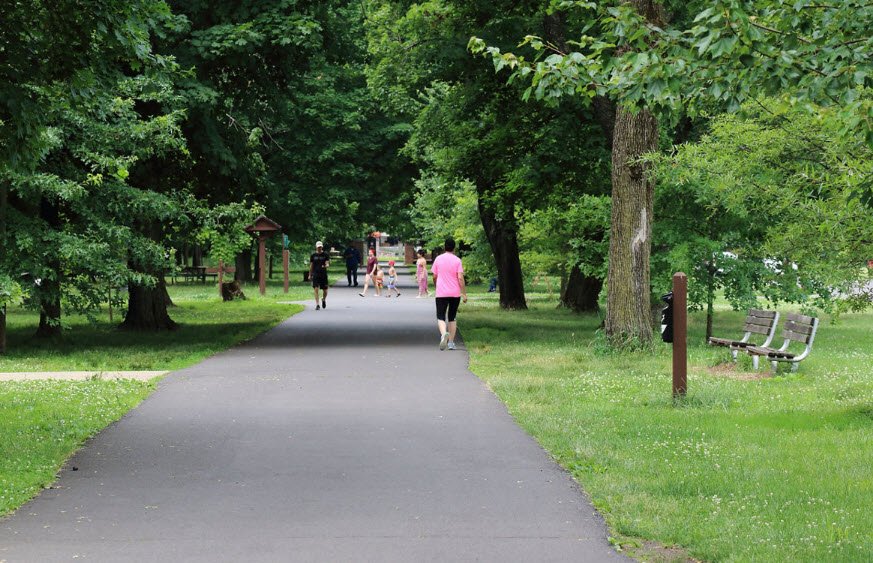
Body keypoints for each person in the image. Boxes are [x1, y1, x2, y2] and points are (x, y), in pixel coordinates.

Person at [431, 237, 466, 350]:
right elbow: (460, 278)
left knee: (440, 316)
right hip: (455, 293)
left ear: (444, 247)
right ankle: (451, 342)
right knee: (452, 317)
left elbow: (434, 276)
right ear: (454, 248)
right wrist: (464, 293)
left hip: (441, 292)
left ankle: (443, 334)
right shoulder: (457, 260)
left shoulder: (438, 259)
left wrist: (436, 284)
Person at [309, 241, 330, 310]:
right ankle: (317, 304)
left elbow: (327, 263)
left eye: (320, 247)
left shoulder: (325, 254)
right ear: (316, 247)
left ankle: (323, 299)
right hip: (316, 274)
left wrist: (326, 265)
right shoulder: (313, 255)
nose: (319, 248)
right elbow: (311, 266)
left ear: (322, 247)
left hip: (323, 274)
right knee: (316, 289)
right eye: (318, 247)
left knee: (325, 290)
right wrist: (310, 275)